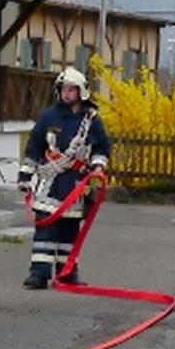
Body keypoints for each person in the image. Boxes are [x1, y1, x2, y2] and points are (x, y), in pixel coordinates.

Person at [17, 67, 110, 289]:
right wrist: (24, 175)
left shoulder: (92, 120)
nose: (66, 94)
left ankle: (67, 272)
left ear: (82, 92)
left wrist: (97, 167)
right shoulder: (48, 116)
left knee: (70, 231)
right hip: (50, 183)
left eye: (71, 89)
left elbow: (103, 149)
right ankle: (39, 274)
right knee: (45, 229)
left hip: (76, 185)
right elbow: (34, 147)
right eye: (63, 89)